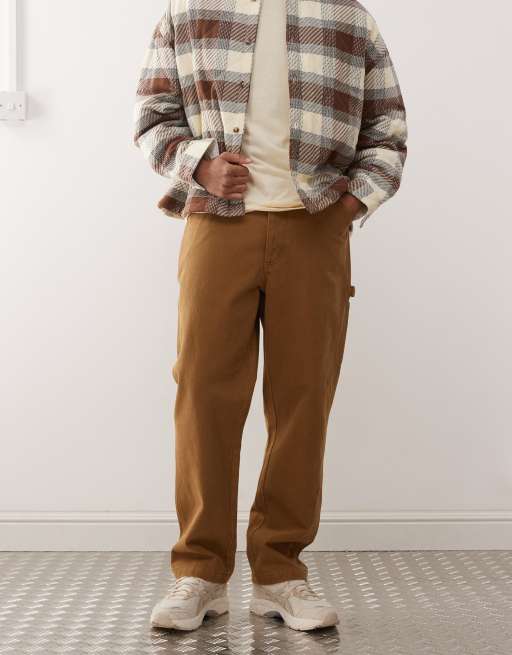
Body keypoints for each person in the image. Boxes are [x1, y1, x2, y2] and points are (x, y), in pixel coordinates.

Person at [134, 0, 407, 632]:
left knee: (303, 397)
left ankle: (280, 574)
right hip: (216, 225)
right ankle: (200, 573)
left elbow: (388, 127)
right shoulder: (188, 10)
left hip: (315, 229)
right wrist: (200, 164)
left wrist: (349, 204)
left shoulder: (348, 16)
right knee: (203, 393)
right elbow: (153, 114)